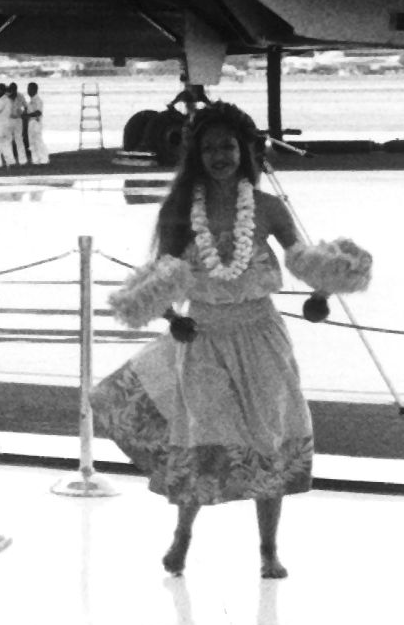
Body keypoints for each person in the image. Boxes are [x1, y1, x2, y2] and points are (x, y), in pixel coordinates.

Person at [87, 104, 316, 578]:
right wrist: (172, 317)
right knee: (199, 433)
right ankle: (183, 535)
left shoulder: (269, 207)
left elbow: (302, 258)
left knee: (269, 433)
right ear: (196, 153)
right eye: (209, 147)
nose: (219, 156)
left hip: (261, 334)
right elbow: (158, 276)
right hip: (204, 334)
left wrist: (325, 289)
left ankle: (268, 550)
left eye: (228, 146)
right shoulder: (180, 210)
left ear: (245, 150)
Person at [21, 81, 48, 167]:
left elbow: (38, 112)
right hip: (30, 122)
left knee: (38, 141)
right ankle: (36, 159)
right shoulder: (31, 101)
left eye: (29, 89)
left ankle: (44, 159)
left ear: (34, 89)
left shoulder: (38, 100)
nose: (28, 91)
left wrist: (28, 115)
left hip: (36, 122)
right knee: (32, 142)